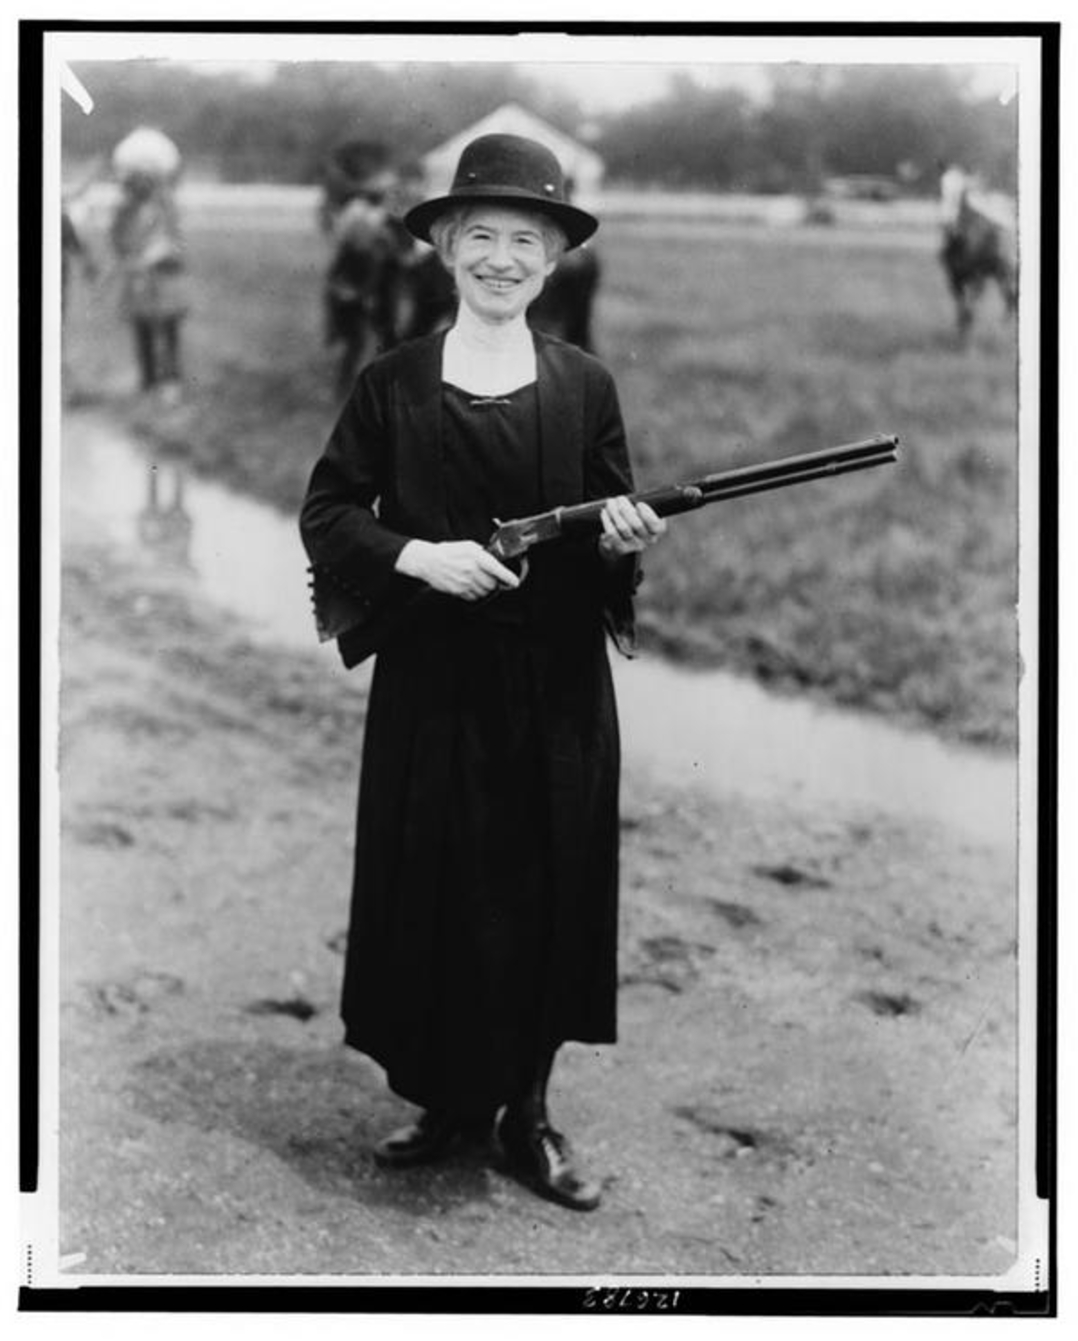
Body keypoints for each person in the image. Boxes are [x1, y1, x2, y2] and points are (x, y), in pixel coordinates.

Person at [299, 133, 665, 1212]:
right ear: (446, 250)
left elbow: (610, 526)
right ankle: (447, 1101)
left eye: (527, 241)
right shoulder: (394, 384)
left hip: (553, 693)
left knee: (544, 887)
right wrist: (417, 555)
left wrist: (623, 537)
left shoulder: (585, 385)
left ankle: (526, 1115)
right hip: (430, 685)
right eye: (482, 237)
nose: (502, 258)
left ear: (555, 263)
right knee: (435, 886)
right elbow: (328, 514)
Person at [109, 129, 189, 403]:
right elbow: (117, 241)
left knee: (168, 329)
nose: (139, 185)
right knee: (142, 328)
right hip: (139, 279)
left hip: (164, 277)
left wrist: (161, 253)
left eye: (145, 179)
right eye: (135, 180)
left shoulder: (166, 206)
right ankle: (148, 379)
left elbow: (176, 241)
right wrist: (131, 259)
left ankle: (171, 380)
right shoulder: (124, 211)